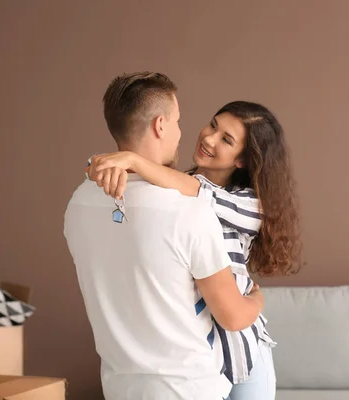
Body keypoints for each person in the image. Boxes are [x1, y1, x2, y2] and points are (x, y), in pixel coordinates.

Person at [64, 72, 265, 400]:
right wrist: (258, 299)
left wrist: (113, 163)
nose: (185, 133)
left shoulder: (78, 204)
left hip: (120, 387)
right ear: (160, 125)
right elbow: (231, 315)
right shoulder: (188, 211)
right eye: (177, 121)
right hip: (189, 388)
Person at [87, 100, 302, 400]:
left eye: (226, 140)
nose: (209, 138)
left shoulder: (250, 205)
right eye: (213, 125)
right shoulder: (172, 188)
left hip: (243, 356)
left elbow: (201, 192)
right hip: (197, 361)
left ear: (242, 160)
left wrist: (131, 160)